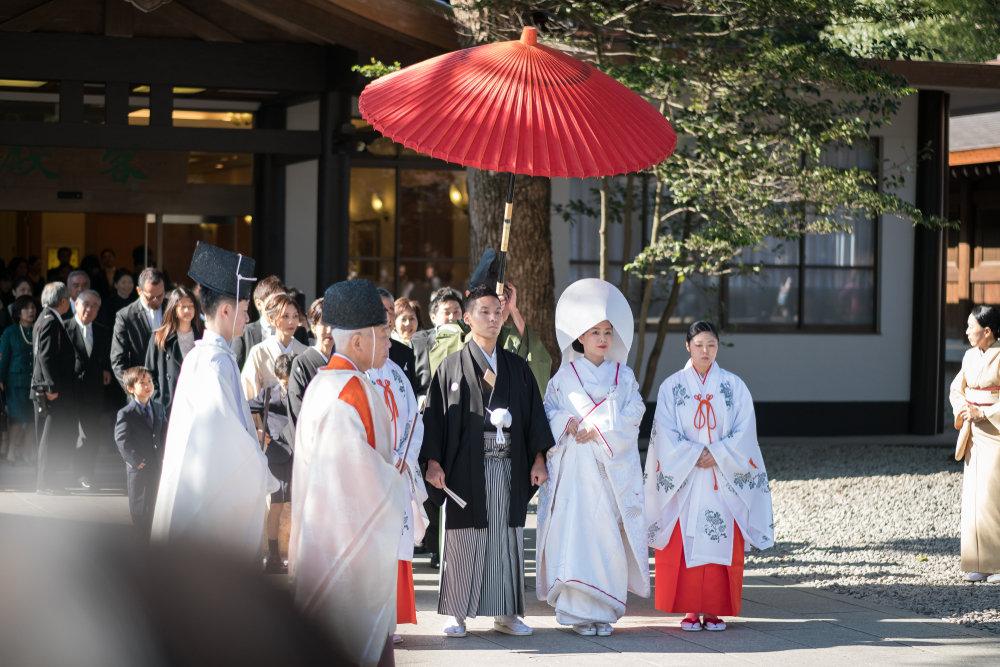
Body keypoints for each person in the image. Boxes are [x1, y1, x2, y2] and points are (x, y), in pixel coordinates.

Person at [421, 284, 553, 638]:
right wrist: (433, 462)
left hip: (508, 464)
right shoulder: (451, 366)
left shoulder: (517, 368)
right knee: (463, 537)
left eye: (498, 312)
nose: (493, 319)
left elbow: (534, 417)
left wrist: (539, 458)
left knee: (506, 538)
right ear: (466, 318)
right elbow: (434, 419)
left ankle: (506, 612)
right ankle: (457, 613)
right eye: (484, 312)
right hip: (465, 466)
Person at [289, 279, 406, 666]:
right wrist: (397, 483)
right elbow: (360, 482)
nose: (389, 343)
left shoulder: (323, 384)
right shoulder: (351, 391)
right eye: (383, 333)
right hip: (348, 550)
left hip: (320, 542)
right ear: (358, 342)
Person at [151, 242, 278, 560]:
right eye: (245, 309)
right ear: (225, 310)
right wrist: (261, 467)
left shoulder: (203, 356)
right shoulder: (214, 362)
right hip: (207, 495)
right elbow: (226, 436)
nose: (247, 317)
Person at [644, 321, 774, 632]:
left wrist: (716, 453)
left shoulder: (734, 386)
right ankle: (689, 610)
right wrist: (693, 455)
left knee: (720, 539)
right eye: (700, 344)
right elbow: (664, 433)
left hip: (721, 476)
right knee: (683, 540)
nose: (706, 351)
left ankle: (715, 610)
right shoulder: (671, 387)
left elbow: (746, 432)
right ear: (687, 346)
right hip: (685, 478)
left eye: (711, 345)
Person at [536, 279, 649, 636]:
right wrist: (566, 423)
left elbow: (635, 413)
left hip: (608, 469)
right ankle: (575, 612)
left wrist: (599, 426)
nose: (602, 338)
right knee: (575, 533)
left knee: (606, 535)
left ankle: (604, 609)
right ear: (579, 338)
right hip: (574, 468)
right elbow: (548, 411)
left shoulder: (623, 375)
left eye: (607, 331)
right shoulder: (564, 376)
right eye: (594, 331)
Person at [367, 331, 427, 644]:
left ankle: (389, 620)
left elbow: (414, 420)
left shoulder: (397, 374)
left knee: (394, 548)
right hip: (369, 475)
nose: (390, 343)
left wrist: (404, 456)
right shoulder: (357, 373)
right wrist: (383, 458)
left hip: (398, 471)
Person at [425, 250, 553, 396]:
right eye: (485, 310)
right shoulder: (451, 330)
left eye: (498, 306)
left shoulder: (507, 334)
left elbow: (536, 360)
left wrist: (513, 310)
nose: (493, 314)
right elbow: (448, 363)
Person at [949, 305, 1000, 583]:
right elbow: (957, 388)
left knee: (994, 495)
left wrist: (986, 412)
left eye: (972, 327)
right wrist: (964, 408)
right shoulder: (969, 357)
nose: (967, 331)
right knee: (975, 496)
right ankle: (977, 561)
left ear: (988, 331)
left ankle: (998, 562)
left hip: (995, 430)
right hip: (974, 431)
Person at [248, 353, 296, 574]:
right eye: (284, 380)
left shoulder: (303, 392)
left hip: (299, 454)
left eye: (290, 378)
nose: (287, 384)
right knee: (276, 505)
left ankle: (298, 554)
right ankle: (273, 555)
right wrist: (259, 432)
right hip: (276, 454)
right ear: (278, 377)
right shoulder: (269, 394)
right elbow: (246, 407)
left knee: (300, 507)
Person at [64, 289, 112, 490]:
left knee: (91, 434)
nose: (89, 309)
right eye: (86, 304)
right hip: (70, 389)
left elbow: (109, 355)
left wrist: (106, 370)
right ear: (76, 304)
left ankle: (85, 473)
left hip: (93, 390)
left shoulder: (102, 330)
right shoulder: (64, 327)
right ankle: (65, 472)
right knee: (67, 432)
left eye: (95, 306)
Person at [31, 282, 77, 494]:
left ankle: (49, 482)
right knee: (48, 438)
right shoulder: (50, 321)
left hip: (46, 388)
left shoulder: (45, 318)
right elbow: (45, 356)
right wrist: (51, 385)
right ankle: (44, 484)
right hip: (48, 390)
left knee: (51, 436)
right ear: (62, 301)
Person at [114, 366, 166, 536]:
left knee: (157, 508)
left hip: (158, 465)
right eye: (142, 383)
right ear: (130, 389)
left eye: (149, 381)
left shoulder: (158, 408)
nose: (147, 386)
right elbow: (122, 440)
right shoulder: (126, 413)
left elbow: (164, 433)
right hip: (140, 469)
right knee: (141, 510)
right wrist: (135, 460)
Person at [145, 286, 203, 417]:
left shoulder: (202, 334)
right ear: (174, 309)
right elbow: (149, 372)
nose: (188, 310)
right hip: (169, 403)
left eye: (191, 306)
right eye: (183, 307)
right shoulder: (160, 337)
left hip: (196, 402)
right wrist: (158, 397)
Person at [241, 293, 308, 401]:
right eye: (285, 316)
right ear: (272, 319)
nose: (291, 321)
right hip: (267, 415)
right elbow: (249, 396)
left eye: (295, 316)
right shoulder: (259, 352)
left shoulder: (305, 353)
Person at [232, 275, 307, 369]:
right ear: (259, 304)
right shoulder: (244, 333)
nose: (280, 305)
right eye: (275, 301)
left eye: (283, 300)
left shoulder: (299, 332)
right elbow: (236, 369)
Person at [111, 267, 165, 389]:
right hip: (140, 390)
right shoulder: (125, 316)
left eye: (160, 295)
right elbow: (118, 360)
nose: (156, 300)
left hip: (171, 389)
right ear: (139, 291)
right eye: (150, 297)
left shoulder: (172, 309)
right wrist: (133, 390)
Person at [0, 295, 37, 464]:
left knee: (31, 418)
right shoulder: (10, 332)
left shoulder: (38, 328)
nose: (31, 311)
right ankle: (11, 452)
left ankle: (27, 452)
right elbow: (4, 358)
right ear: (18, 312)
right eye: (26, 308)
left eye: (33, 308)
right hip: (14, 382)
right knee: (16, 418)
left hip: (35, 382)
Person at [286, 298, 332, 432]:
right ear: (313, 327)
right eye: (324, 324)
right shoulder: (301, 363)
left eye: (334, 324)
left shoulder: (342, 363)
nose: (329, 330)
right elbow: (297, 411)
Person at [411, 287, 464, 400]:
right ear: (433, 317)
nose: (452, 317)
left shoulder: (471, 337)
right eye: (446, 312)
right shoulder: (419, 340)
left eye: (456, 311)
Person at [377, 288, 417, 391]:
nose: (387, 318)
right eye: (382, 310)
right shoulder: (360, 351)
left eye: (390, 311)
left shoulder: (406, 353)